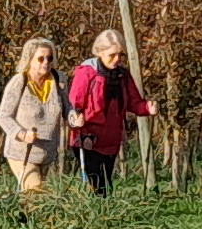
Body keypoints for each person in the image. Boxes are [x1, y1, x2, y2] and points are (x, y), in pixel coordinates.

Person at [64, 27, 151, 196]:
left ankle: (104, 215)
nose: (117, 59)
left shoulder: (123, 76)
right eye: (112, 54)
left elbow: (135, 103)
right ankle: (96, 216)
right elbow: (74, 103)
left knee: (106, 183)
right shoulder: (87, 73)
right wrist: (76, 118)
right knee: (98, 185)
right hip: (88, 139)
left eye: (120, 54)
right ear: (100, 52)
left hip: (111, 140)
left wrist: (148, 108)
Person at [0, 36, 71, 194]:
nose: (46, 62)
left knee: (31, 198)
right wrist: (21, 134)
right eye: (41, 58)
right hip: (22, 151)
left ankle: (17, 217)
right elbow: (3, 116)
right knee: (36, 192)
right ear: (30, 59)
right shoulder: (19, 81)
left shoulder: (58, 80)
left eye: (49, 58)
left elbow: (67, 108)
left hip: (47, 152)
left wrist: (74, 117)